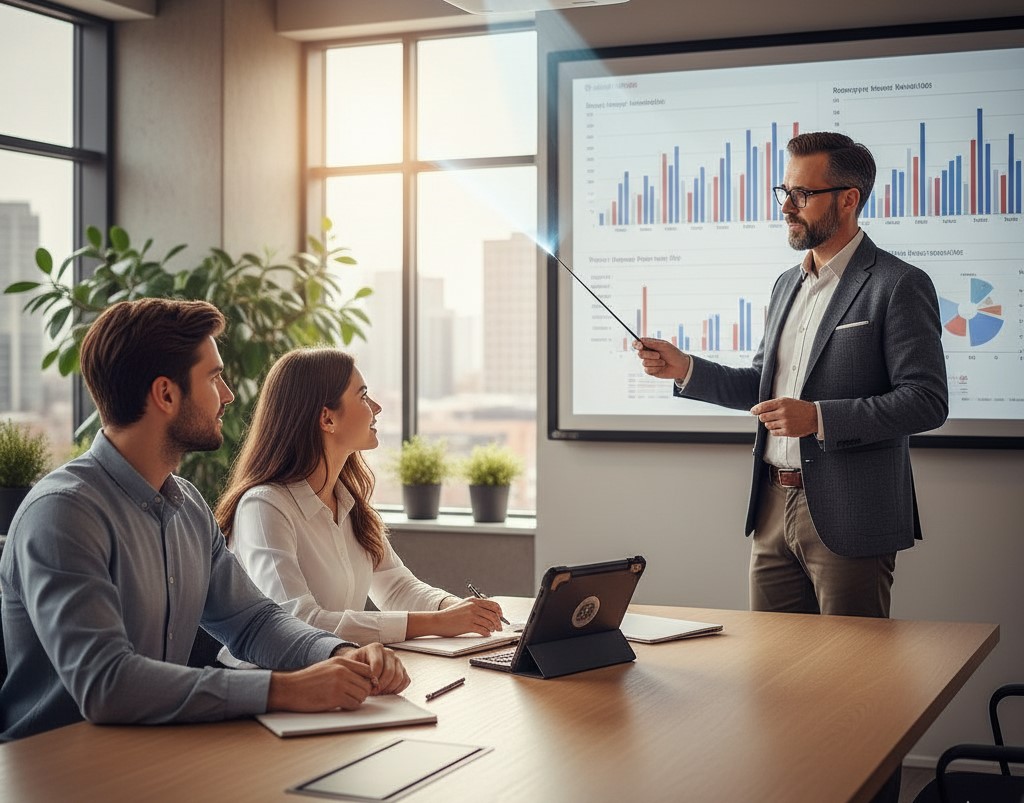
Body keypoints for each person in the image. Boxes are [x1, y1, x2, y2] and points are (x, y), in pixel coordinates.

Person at [0, 299, 409, 742]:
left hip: (152, 747)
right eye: (214, 378)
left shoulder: (188, 507)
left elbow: (253, 621)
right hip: (58, 761)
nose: (228, 395)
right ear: (166, 394)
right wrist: (284, 689)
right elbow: (107, 683)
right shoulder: (63, 514)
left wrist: (339, 654)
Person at [637, 132, 948, 620]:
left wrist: (818, 418)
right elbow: (763, 387)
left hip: (850, 514)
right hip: (771, 507)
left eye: (802, 194)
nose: (786, 207)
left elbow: (926, 400)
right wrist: (686, 369)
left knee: (851, 664)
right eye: (786, 192)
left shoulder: (898, 284)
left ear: (848, 199)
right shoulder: (787, 284)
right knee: (772, 663)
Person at [213, 347, 503, 655]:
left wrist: (458, 609)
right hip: (272, 679)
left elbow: (396, 587)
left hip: (339, 671)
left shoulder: (348, 501)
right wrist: (438, 622)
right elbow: (298, 621)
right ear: (327, 418)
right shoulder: (264, 507)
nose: (376, 407)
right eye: (363, 396)